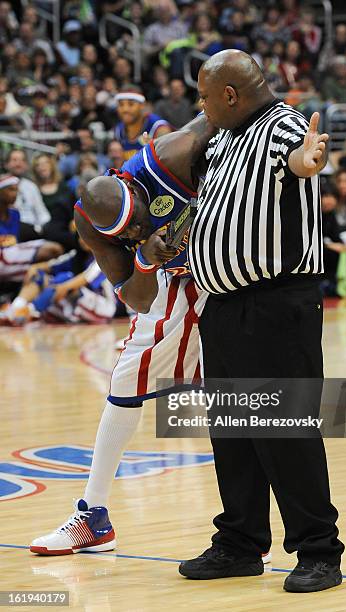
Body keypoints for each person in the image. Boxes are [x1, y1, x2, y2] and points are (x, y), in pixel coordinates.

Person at [182, 50, 344, 593]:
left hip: (275, 307)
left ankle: (319, 550)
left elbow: (299, 160)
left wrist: (309, 160)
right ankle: (240, 543)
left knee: (285, 431)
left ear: (230, 94)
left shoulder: (282, 127)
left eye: (205, 96)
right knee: (232, 434)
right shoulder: (224, 139)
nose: (199, 105)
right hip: (224, 308)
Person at [29, 114, 217, 556]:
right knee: (126, 383)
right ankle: (93, 516)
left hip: (236, 270)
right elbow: (136, 299)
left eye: (135, 224)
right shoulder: (88, 223)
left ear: (133, 189)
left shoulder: (171, 154)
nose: (134, 233)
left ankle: (250, 526)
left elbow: (224, 108)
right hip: (181, 280)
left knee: (239, 395)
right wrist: (146, 261)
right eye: (125, 235)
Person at [0, 175, 62, 284]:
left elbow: (15, 243)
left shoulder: (15, 214)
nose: (15, 194)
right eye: (11, 190)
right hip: (3, 258)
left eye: (16, 190)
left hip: (13, 253)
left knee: (55, 249)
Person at [114, 90, 172, 160]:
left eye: (131, 104)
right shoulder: (119, 130)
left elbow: (169, 159)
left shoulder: (158, 127)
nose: (125, 109)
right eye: (121, 105)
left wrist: (155, 150)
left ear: (142, 105)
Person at [5, 149, 51, 233]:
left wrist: (41, 228)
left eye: (22, 160)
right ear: (7, 164)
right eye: (14, 160)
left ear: (26, 165)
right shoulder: (2, 186)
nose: (18, 164)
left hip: (33, 230)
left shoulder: (31, 186)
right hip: (9, 230)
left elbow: (42, 213)